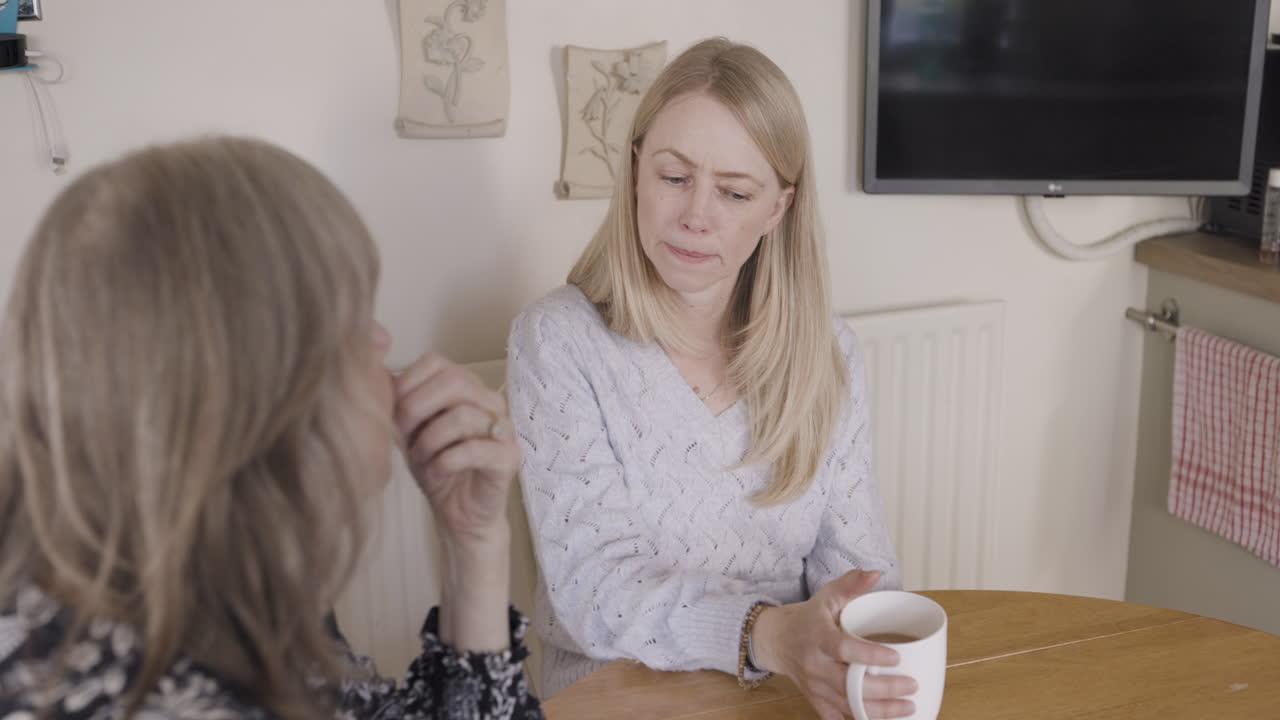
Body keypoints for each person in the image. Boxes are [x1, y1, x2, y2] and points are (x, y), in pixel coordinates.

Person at [0, 137, 543, 720]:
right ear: (249, 390)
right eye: (352, 321)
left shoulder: (231, 585)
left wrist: (474, 543)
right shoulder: (146, 700)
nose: (383, 342)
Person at [507, 38, 914, 720]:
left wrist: (865, 653)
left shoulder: (827, 352)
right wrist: (765, 632)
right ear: (636, 170)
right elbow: (593, 595)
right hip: (612, 697)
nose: (697, 214)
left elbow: (862, 575)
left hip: (786, 694)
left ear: (777, 209)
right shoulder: (558, 341)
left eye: (733, 191)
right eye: (674, 178)